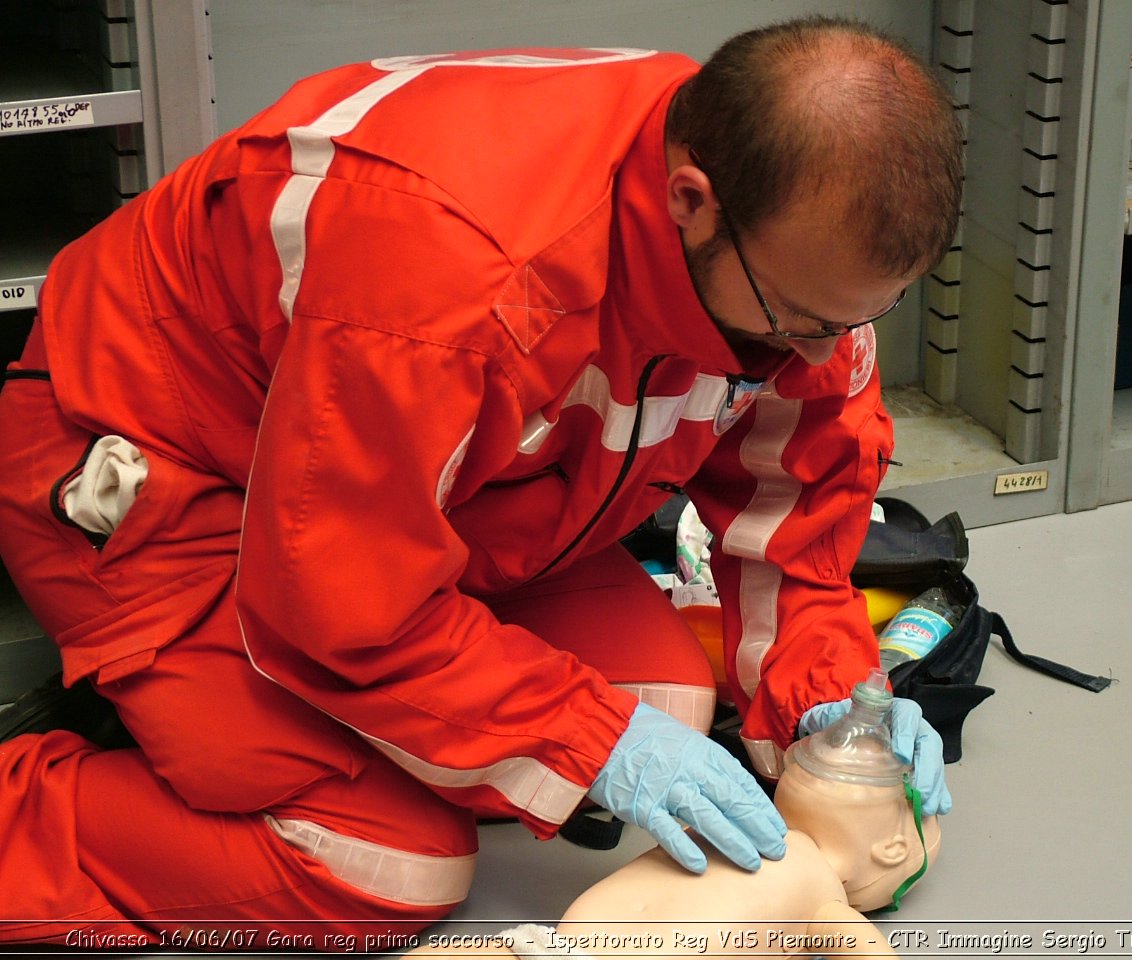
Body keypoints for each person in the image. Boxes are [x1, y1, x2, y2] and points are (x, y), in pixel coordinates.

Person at [0, 13, 962, 946]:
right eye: (798, 319)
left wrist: (835, 701)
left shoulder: (773, 224)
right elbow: (340, 598)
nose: (818, 353)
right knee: (379, 865)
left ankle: (266, 740)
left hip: (414, 493)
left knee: (661, 702)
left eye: (852, 322)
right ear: (691, 198)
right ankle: (45, 807)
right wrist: (587, 741)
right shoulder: (455, 276)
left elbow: (794, 507)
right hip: (159, 469)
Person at [406, 685, 941, 959]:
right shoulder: (735, 828)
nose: (857, 744)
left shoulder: (825, 896)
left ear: (892, 851)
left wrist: (813, 692)